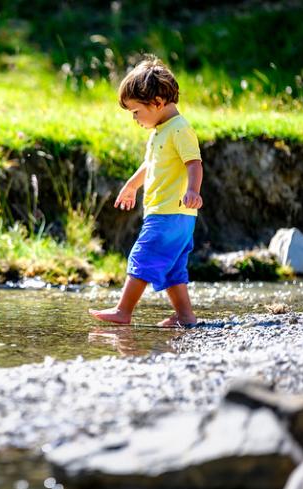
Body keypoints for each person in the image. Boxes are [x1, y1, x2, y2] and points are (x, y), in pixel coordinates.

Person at [89, 56, 203, 328]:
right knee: (174, 269)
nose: (135, 119)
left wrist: (193, 191)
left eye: (136, 112)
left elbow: (194, 163)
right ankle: (185, 317)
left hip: (170, 212)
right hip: (173, 215)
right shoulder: (160, 131)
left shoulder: (180, 129)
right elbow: (150, 164)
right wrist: (131, 185)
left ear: (158, 103)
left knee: (141, 257)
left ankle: (123, 310)